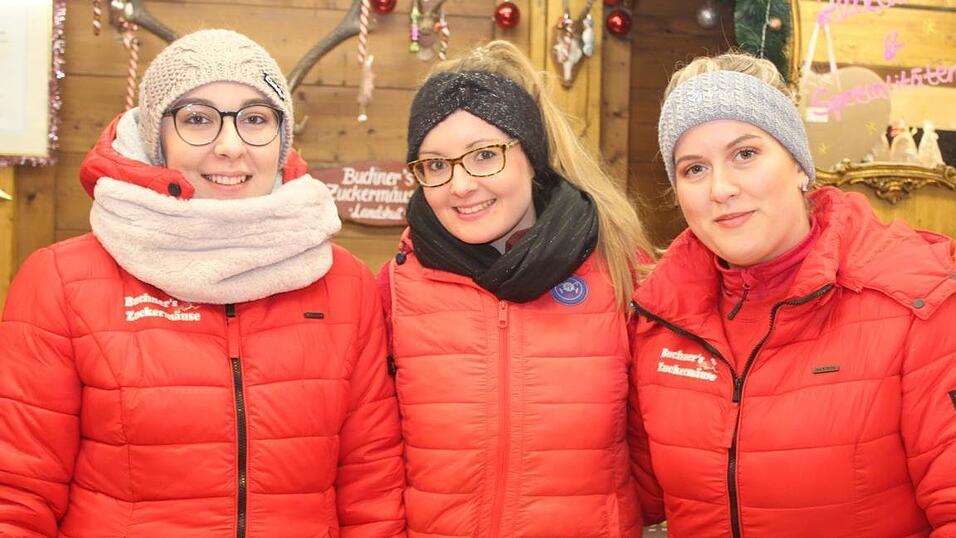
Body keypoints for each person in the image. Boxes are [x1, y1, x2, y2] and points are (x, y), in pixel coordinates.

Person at [0, 29, 405, 536]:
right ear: (157, 138)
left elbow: (372, 489)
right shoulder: (62, 281)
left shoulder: (343, 283)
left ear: (281, 139)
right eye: (197, 119)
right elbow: (16, 493)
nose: (230, 146)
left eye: (255, 119)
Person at [629, 52, 956, 537]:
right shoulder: (659, 320)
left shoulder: (915, 302)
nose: (720, 188)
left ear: (800, 166)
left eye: (745, 154)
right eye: (694, 168)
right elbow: (614, 490)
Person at [378, 40, 659, 537]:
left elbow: (652, 446)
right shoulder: (398, 285)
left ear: (531, 157)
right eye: (436, 164)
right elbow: (374, 457)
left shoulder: (618, 271)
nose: (461, 185)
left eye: (485, 155)